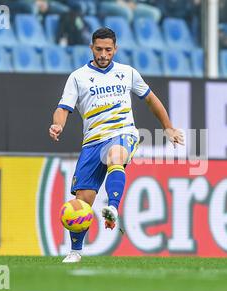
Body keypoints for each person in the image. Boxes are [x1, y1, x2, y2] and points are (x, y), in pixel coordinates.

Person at [49, 27, 184, 263]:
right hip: (92, 142)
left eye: (108, 50)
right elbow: (63, 108)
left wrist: (168, 127)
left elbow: (151, 100)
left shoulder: (127, 73)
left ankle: (112, 207)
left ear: (115, 49)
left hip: (123, 133)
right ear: (91, 48)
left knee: (115, 155)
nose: (103, 54)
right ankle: (75, 251)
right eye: (99, 49)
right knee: (82, 201)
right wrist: (57, 125)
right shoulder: (78, 77)